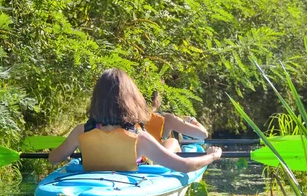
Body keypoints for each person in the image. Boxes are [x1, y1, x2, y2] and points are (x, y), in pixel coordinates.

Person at [48, 68, 221, 173]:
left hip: (87, 185)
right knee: (171, 143)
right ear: (130, 100)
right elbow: (185, 166)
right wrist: (211, 156)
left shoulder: (81, 131)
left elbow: (53, 158)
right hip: (132, 182)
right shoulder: (139, 138)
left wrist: (71, 152)